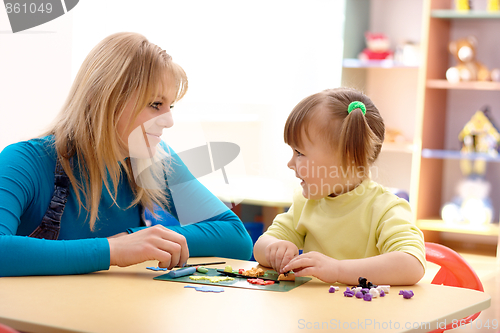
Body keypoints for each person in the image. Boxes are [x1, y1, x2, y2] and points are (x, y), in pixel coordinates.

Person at [0, 32, 253, 277]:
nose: (169, 121)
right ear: (105, 99)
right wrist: (113, 250)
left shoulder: (157, 162)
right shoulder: (24, 161)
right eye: (155, 104)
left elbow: (235, 237)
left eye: (170, 106)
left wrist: (138, 240)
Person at [253, 88, 425, 285]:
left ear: (347, 158)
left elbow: (412, 265)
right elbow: (260, 246)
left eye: (299, 153)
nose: (290, 163)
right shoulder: (306, 202)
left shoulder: (385, 208)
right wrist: (275, 248)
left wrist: (337, 270)